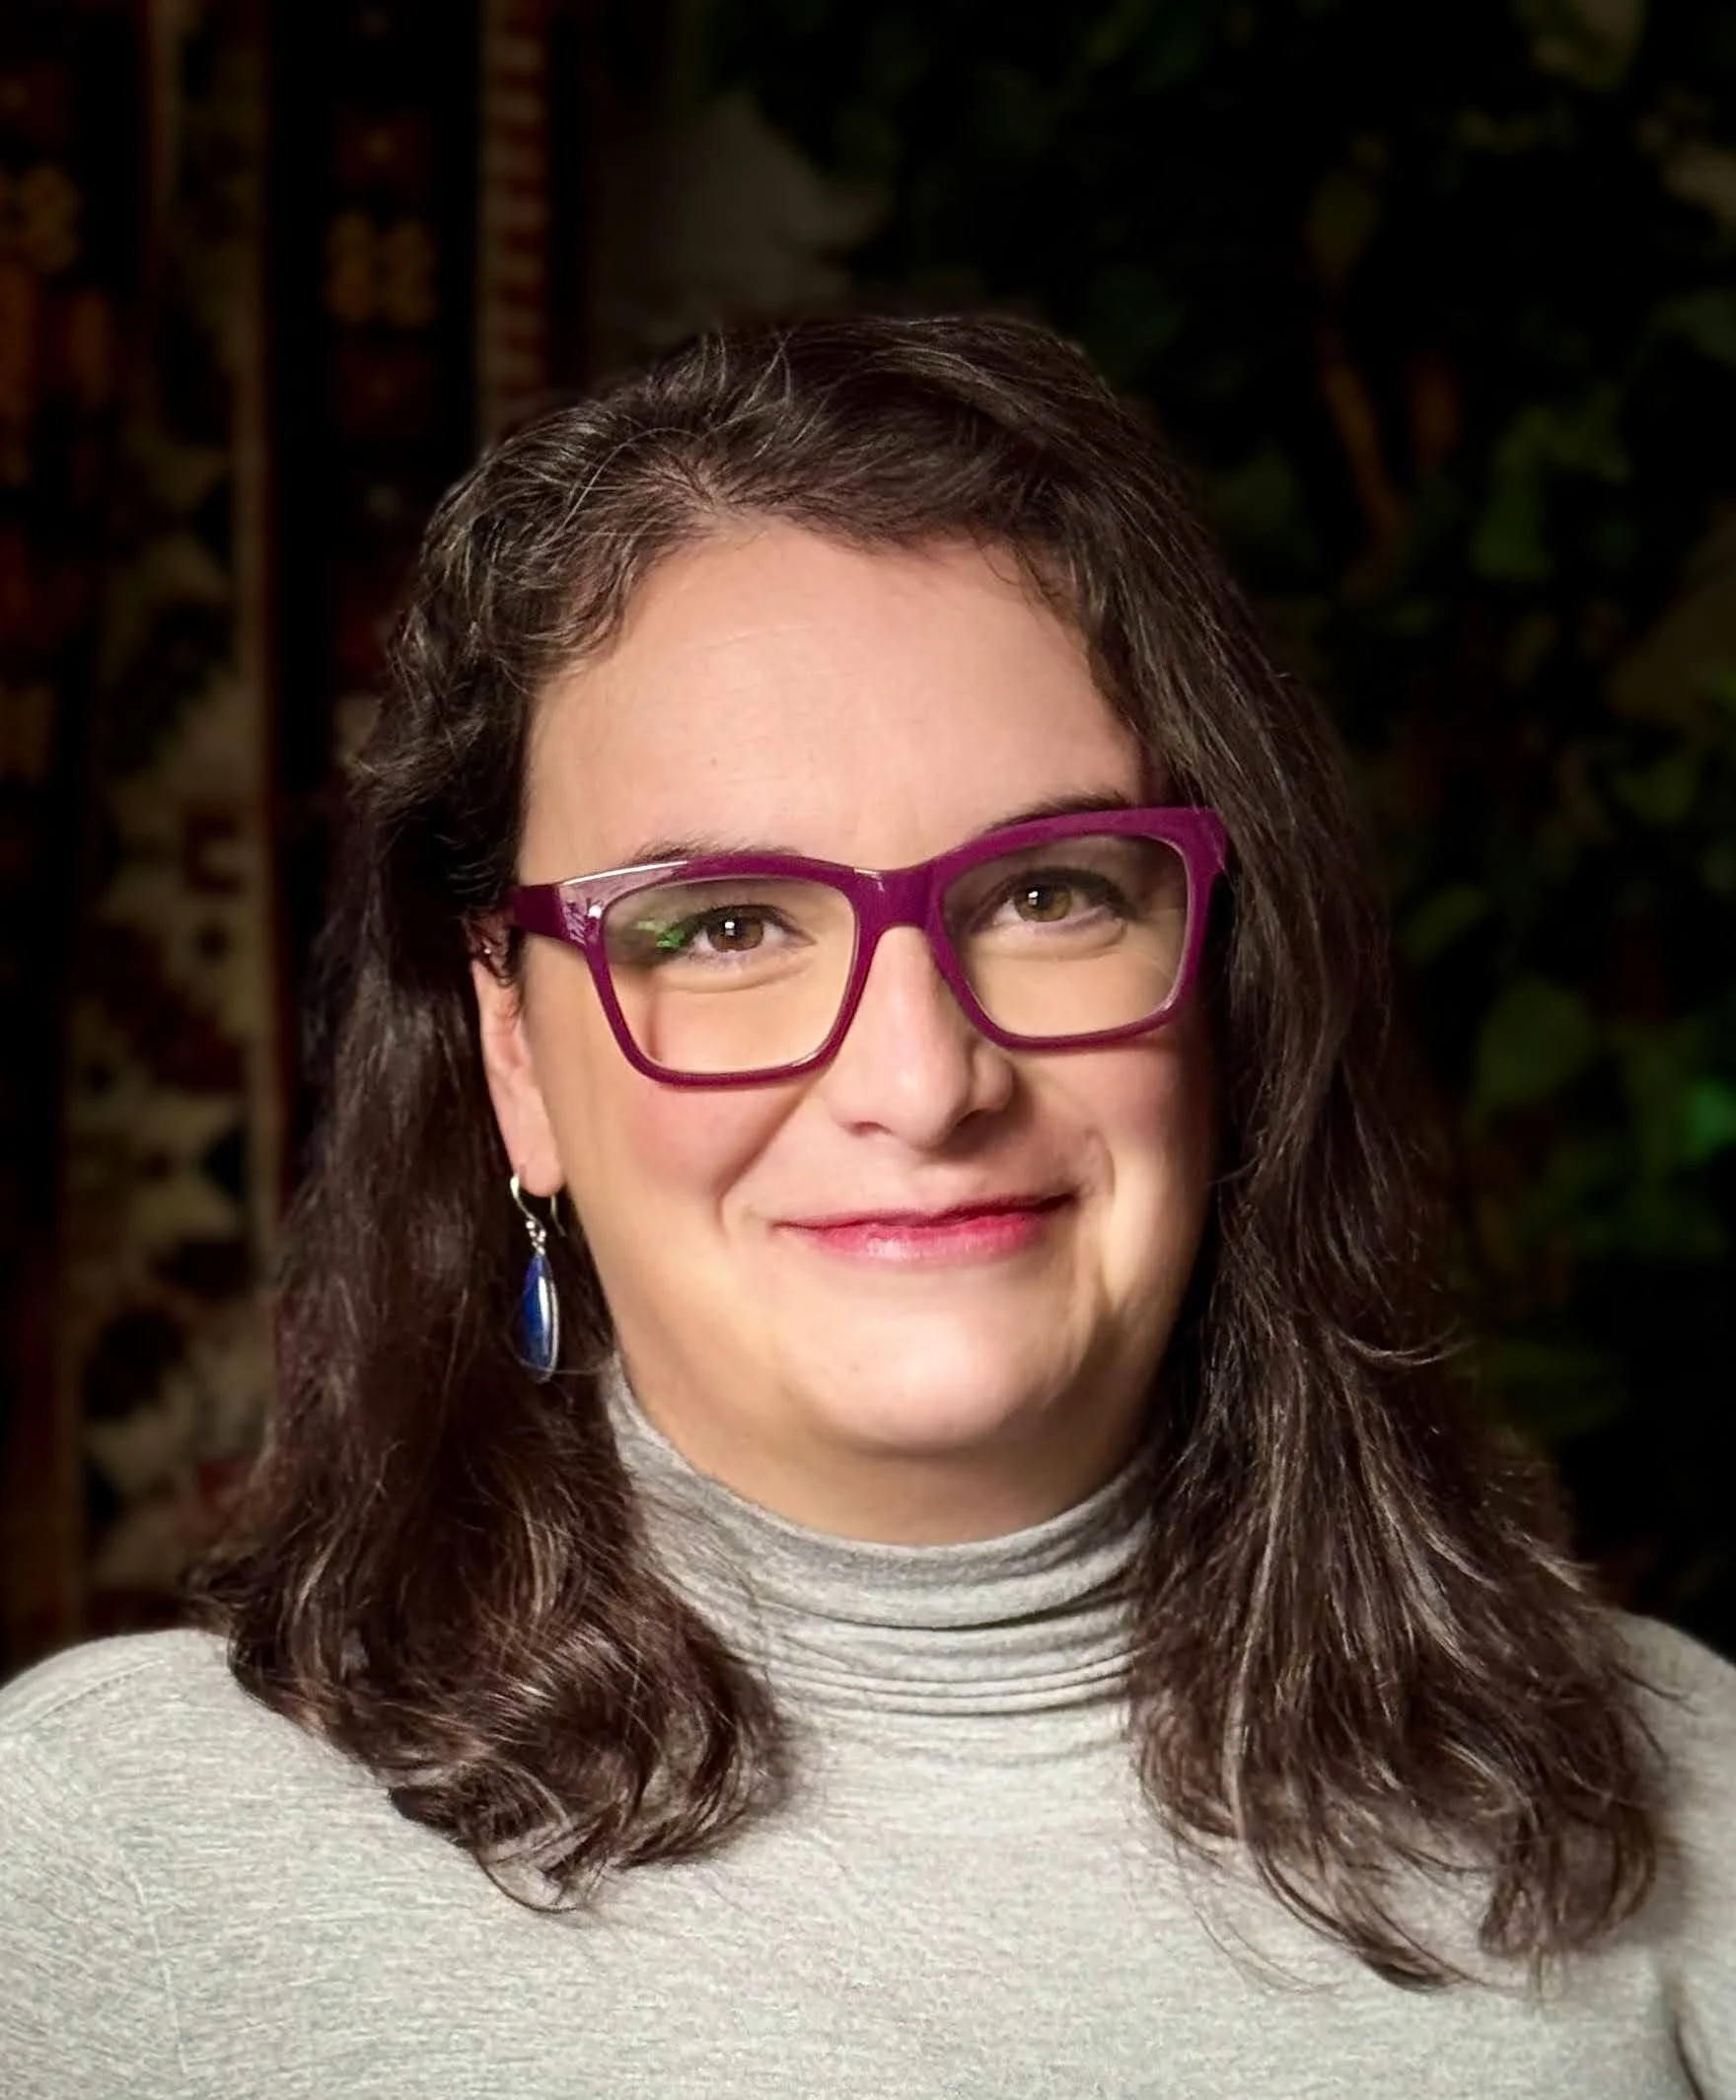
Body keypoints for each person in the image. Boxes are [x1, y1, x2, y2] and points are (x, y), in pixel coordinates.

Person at [1, 314, 1731, 2099]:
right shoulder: (104, 1871)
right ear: (516, 1059)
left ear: (1226, 978)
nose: (923, 1078)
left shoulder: (1686, 1798)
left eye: (1052, 892)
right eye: (727, 926)